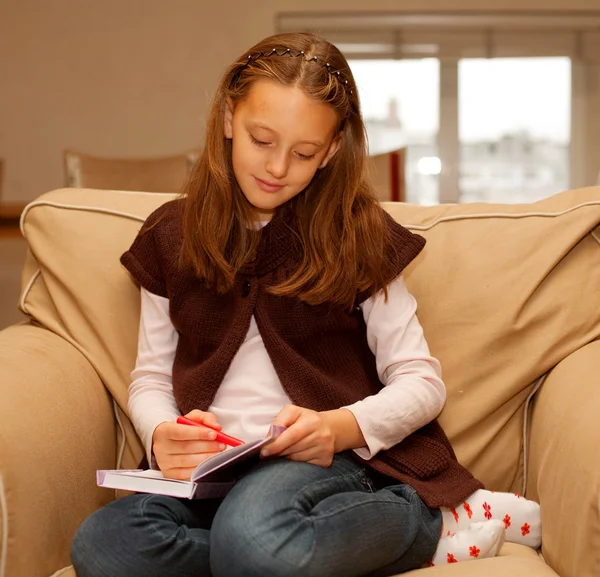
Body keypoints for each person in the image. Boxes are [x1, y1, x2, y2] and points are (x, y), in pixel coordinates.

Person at [71, 32, 541, 577]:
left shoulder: (359, 236)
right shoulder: (170, 236)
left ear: (333, 149)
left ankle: (426, 525)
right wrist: (160, 432)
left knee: (252, 533)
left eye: (303, 153)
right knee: (103, 545)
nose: (276, 168)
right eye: (261, 140)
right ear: (228, 118)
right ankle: (282, 554)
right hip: (210, 473)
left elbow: (421, 382)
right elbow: (150, 378)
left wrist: (338, 427)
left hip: (322, 463)